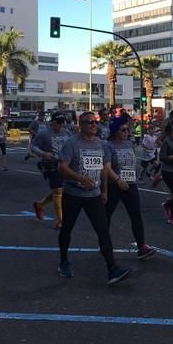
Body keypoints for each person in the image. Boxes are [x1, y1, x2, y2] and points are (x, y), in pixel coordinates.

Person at [57, 111, 131, 285]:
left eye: (94, 122)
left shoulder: (101, 145)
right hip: (73, 194)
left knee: (103, 230)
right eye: (88, 122)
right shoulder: (72, 143)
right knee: (67, 228)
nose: (92, 125)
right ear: (80, 125)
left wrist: (104, 191)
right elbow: (62, 167)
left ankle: (112, 269)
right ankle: (64, 261)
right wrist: (80, 178)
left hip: (94, 195)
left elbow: (103, 169)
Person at [105, 114, 156, 259]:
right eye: (123, 130)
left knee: (136, 215)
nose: (127, 132)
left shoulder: (129, 144)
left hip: (130, 184)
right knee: (106, 216)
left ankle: (141, 247)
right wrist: (117, 179)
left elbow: (132, 162)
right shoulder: (108, 146)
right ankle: (104, 243)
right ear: (115, 132)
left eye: (127, 130)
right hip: (114, 185)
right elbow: (106, 167)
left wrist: (136, 176)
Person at [31, 112, 72, 227]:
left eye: (62, 123)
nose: (61, 125)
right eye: (58, 123)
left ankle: (40, 204)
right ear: (52, 122)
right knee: (58, 191)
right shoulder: (44, 134)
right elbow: (33, 147)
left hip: (64, 164)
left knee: (59, 190)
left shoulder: (67, 133)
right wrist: (43, 154)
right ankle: (61, 220)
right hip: (50, 164)